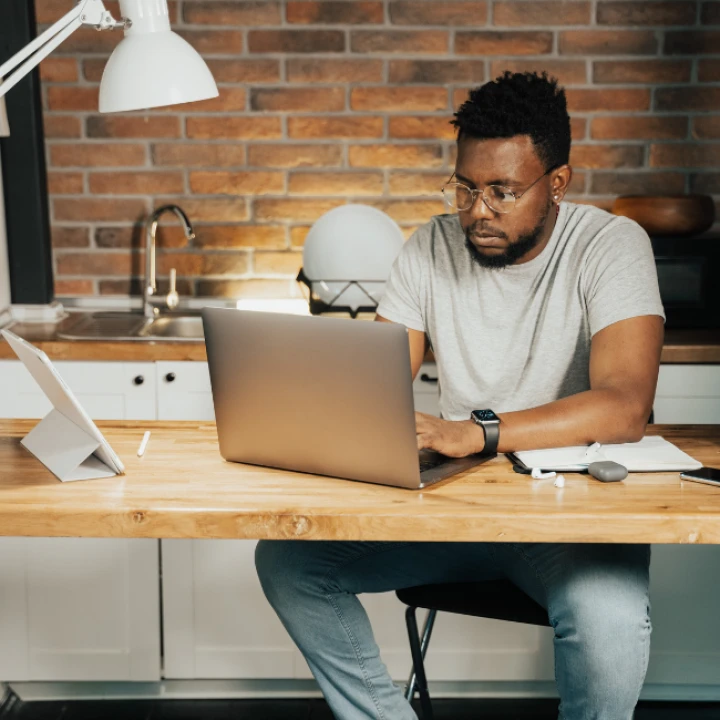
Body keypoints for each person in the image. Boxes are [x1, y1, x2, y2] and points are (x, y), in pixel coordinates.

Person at [256, 71, 665, 720]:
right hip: (452, 510)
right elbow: (373, 390)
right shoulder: (429, 247)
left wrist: (477, 431)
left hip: (574, 522)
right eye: (466, 187)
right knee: (290, 563)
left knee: (609, 623)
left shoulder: (610, 245)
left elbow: (624, 407)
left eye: (502, 191)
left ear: (556, 182)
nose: (477, 210)